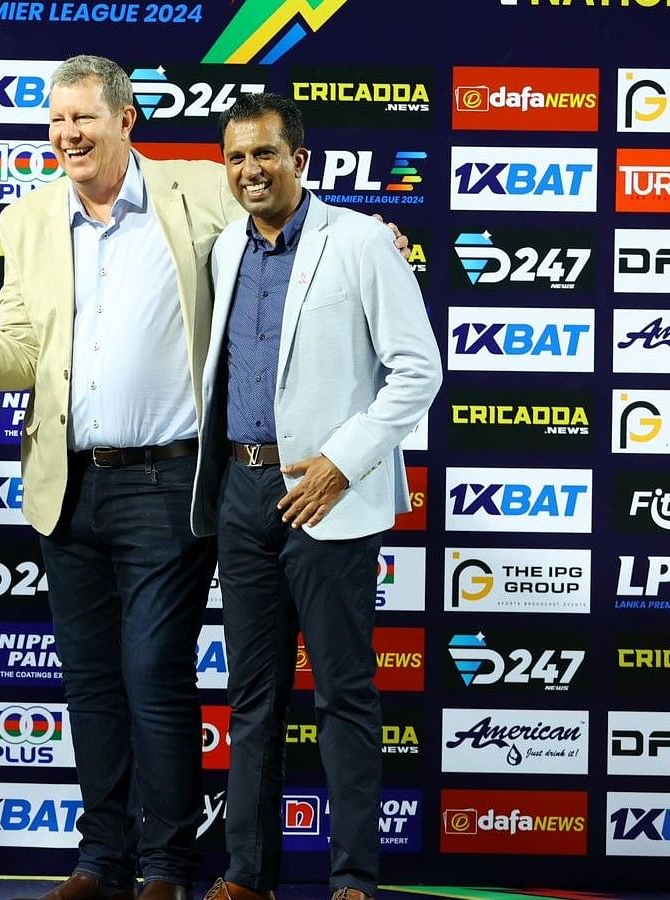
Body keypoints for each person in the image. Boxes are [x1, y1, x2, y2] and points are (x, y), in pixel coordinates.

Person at [0, 55, 239, 900]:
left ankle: (165, 864)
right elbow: (19, 347)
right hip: (66, 483)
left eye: (84, 119)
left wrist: (373, 234)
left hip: (170, 479)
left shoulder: (199, 190)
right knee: (88, 680)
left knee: (154, 670)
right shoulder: (30, 218)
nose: (66, 136)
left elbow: (288, 216)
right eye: (56, 122)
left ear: (128, 122)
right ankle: (102, 859)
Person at [191, 93, 440, 900]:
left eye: (264, 154)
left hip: (328, 493)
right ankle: (247, 876)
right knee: (253, 699)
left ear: (300, 158)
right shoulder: (226, 247)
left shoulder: (364, 241)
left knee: (344, 694)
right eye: (235, 158)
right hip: (241, 488)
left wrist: (343, 460)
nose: (249, 171)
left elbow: (419, 371)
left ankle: (353, 878)